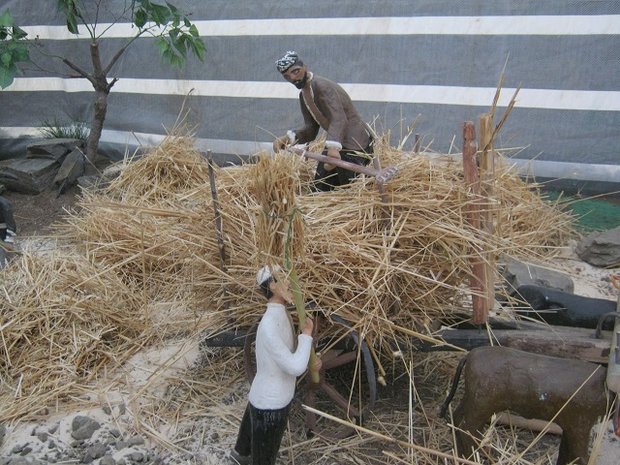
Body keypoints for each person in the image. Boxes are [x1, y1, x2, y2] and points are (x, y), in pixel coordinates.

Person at [231, 265, 319, 465]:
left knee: (246, 446)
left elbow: (292, 351)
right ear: (272, 285)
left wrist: (310, 354)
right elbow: (295, 367)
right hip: (270, 404)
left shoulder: (281, 314)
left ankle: (240, 456)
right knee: (264, 457)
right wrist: (306, 337)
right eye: (283, 279)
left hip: (264, 396)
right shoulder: (270, 325)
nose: (289, 282)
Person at [273, 51, 374, 192]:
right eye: (287, 76)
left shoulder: (321, 86)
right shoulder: (304, 95)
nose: (293, 78)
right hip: (338, 144)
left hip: (355, 145)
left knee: (349, 188)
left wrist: (333, 148)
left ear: (305, 67)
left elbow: (339, 118)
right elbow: (311, 129)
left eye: (295, 71)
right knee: (319, 185)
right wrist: (289, 138)